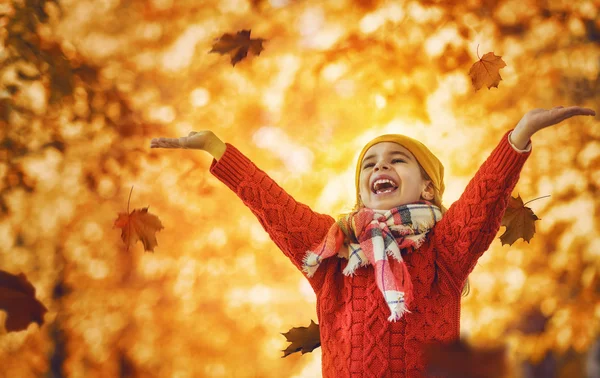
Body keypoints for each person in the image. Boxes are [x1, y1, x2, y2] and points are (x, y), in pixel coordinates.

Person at [150, 106, 595, 377]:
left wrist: (519, 137)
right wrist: (216, 148)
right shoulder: (334, 249)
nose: (380, 167)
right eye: (369, 164)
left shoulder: (443, 249)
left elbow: (484, 198)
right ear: (363, 189)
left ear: (426, 188)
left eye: (397, 160)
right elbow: (273, 205)